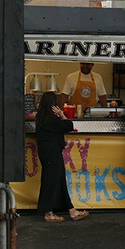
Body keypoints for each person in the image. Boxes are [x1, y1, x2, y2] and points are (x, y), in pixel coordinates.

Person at [35, 91, 88, 223]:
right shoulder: (53, 119)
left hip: (46, 153)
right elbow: (69, 126)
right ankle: (48, 213)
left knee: (58, 181)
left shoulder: (41, 118)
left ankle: (71, 210)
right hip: (52, 153)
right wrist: (62, 114)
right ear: (54, 105)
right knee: (51, 182)